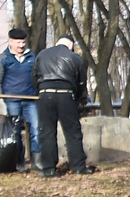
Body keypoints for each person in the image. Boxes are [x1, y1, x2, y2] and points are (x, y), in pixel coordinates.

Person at [34, 35, 95, 177]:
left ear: (57, 43)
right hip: (66, 95)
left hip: (45, 94)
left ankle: (48, 169)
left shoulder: (41, 55)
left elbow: (34, 77)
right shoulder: (74, 58)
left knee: (47, 132)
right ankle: (78, 167)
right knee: (72, 132)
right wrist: (79, 98)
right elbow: (81, 81)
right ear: (71, 45)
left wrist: (40, 92)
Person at [0, 28, 40, 166]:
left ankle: (37, 162)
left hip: (30, 101)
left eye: (23, 42)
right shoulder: (3, 59)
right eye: (18, 42)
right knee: (15, 133)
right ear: (10, 42)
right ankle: (19, 162)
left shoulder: (32, 58)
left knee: (36, 129)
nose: (21, 46)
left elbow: (37, 77)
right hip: (11, 101)